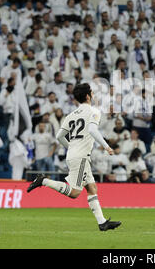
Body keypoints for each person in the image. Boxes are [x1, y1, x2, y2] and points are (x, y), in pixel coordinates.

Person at [27, 83, 121, 231]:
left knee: (91, 188)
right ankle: (43, 181)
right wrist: (106, 146)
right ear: (88, 96)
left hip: (74, 154)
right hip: (81, 156)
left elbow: (59, 136)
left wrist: (71, 147)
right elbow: (92, 130)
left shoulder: (71, 115)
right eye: (92, 92)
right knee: (75, 193)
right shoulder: (94, 111)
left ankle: (102, 222)